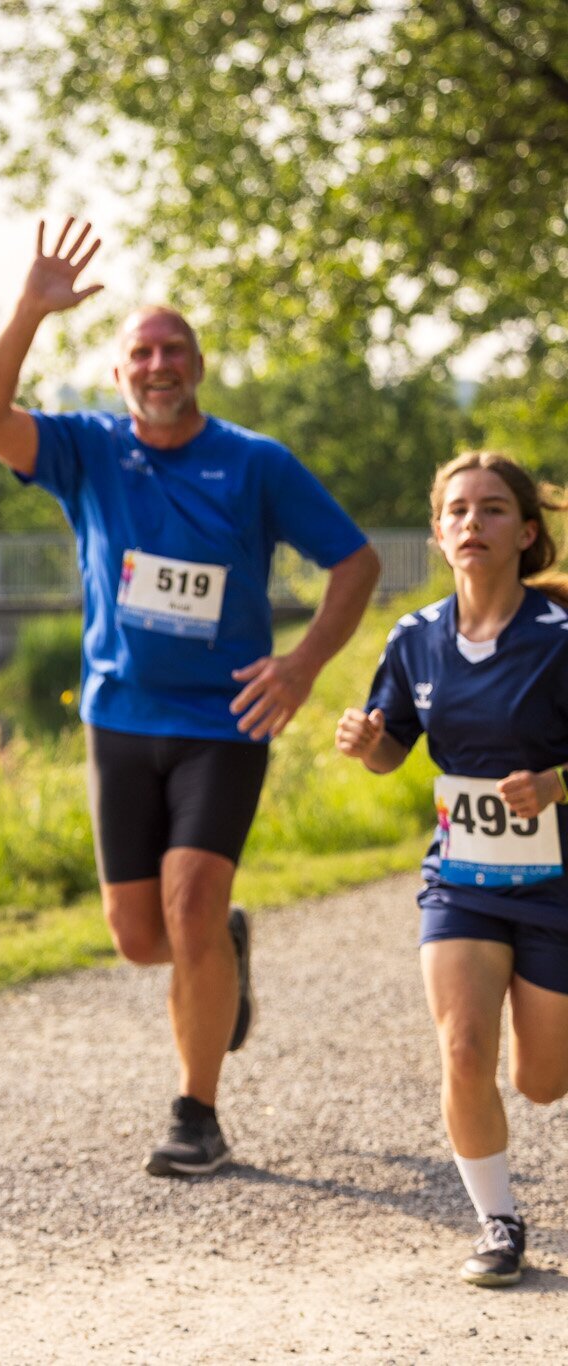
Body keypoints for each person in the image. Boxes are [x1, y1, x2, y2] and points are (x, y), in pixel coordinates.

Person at [0, 219, 382, 1177]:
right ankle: (224, 946)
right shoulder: (88, 450)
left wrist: (302, 665)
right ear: (118, 374)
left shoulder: (256, 462)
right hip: (119, 718)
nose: (158, 365)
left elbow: (354, 562)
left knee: (188, 905)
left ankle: (198, 1115)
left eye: (174, 350)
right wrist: (29, 308)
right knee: (142, 936)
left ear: (199, 366)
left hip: (225, 720)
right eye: (141, 353)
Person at [336, 451, 568, 1287]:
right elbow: (392, 748)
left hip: (557, 885)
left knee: (541, 1082)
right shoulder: (415, 639)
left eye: (493, 509)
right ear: (438, 535)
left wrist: (557, 782)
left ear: (527, 532)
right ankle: (498, 1223)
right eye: (458, 511)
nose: (474, 523)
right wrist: (369, 744)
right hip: (461, 879)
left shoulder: (560, 637)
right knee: (464, 1048)